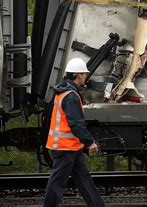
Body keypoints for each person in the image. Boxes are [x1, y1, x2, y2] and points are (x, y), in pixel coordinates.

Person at [44, 58, 105, 207]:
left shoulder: (64, 92)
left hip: (70, 147)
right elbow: (76, 124)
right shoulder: (71, 96)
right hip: (64, 147)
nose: (85, 77)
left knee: (84, 179)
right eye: (84, 74)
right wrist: (89, 142)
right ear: (79, 75)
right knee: (57, 183)